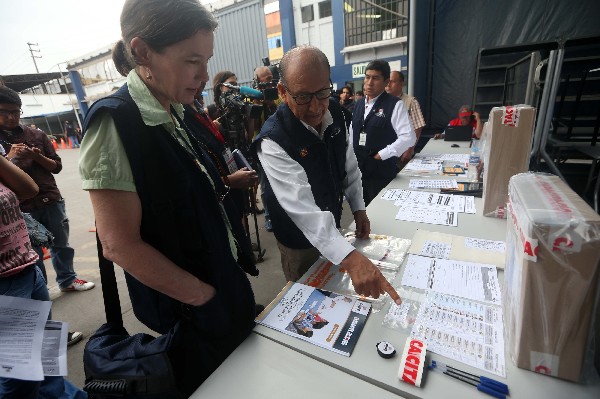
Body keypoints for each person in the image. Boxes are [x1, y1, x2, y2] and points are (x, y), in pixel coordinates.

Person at [79, 0, 257, 395]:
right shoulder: (115, 122)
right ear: (143, 52)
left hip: (222, 290)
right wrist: (205, 299)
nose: (204, 74)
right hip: (192, 312)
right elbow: (118, 244)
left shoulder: (177, 109)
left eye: (207, 59)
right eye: (192, 60)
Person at [252, 45, 401, 304]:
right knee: (309, 300)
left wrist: (358, 208)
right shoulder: (273, 140)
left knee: (339, 293)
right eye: (302, 97)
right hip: (298, 240)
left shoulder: (334, 111)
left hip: (332, 223)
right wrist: (352, 259)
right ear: (282, 92)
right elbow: (303, 211)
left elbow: (348, 163)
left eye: (322, 92)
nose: (315, 108)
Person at [0, 155, 86, 399]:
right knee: (20, 380)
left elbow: (29, 189)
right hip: (6, 286)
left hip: (28, 269)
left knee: (48, 361)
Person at [0, 86, 95, 293]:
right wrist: (9, 159)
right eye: (5, 112)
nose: (11, 117)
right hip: (20, 209)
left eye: (16, 112)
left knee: (61, 244)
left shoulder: (36, 135)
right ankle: (39, 288)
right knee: (31, 254)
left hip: (50, 199)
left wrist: (36, 157)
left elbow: (57, 166)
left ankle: (67, 280)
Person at [351, 60, 415, 206]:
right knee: (360, 210)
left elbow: (408, 137)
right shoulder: (360, 103)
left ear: (386, 82)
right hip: (359, 170)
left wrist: (383, 154)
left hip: (380, 172)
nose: (369, 82)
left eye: (375, 78)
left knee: (379, 211)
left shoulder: (394, 105)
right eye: (367, 77)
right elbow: (352, 131)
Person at [250, 65, 281, 232]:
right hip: (262, 147)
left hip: (280, 146)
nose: (271, 80)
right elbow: (253, 126)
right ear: (257, 81)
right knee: (265, 184)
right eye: (267, 78)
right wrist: (258, 103)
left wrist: (272, 103)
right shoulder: (252, 98)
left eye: (271, 77)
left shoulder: (278, 95)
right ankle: (269, 217)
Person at [386, 71, 426, 164]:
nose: (388, 84)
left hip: (402, 153)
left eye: (392, 81)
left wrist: (408, 152)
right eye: (387, 81)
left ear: (401, 84)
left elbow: (417, 128)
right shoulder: (381, 103)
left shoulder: (410, 102)